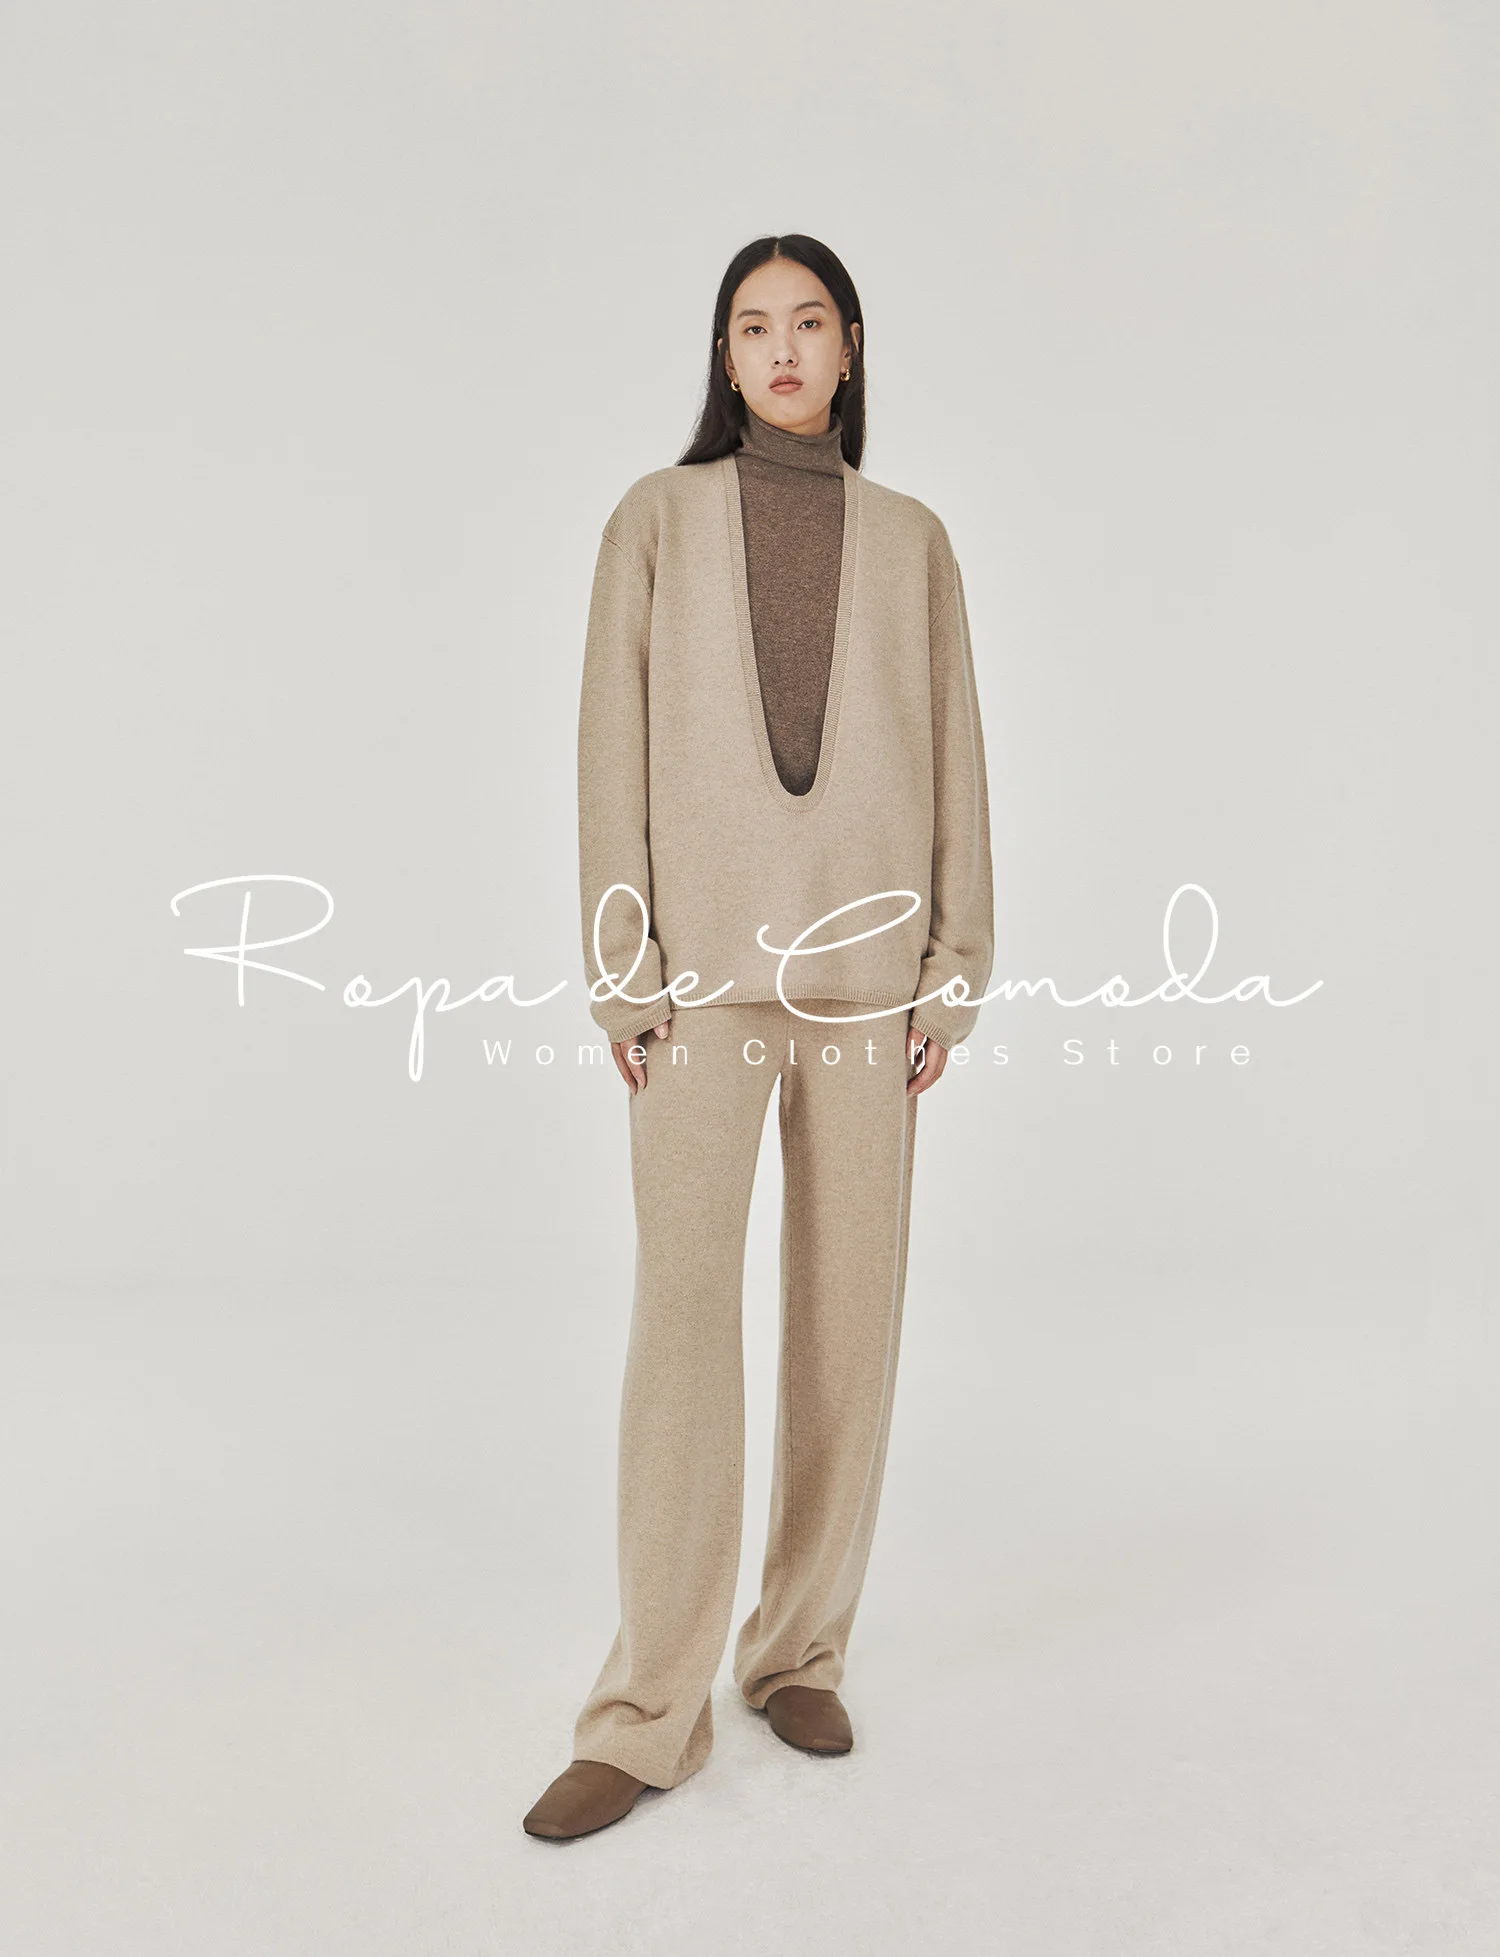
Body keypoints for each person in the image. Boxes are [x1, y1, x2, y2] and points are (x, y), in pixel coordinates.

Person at [524, 234, 994, 1840]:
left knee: (849, 1323)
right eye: (751, 327)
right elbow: (609, 748)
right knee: (682, 1325)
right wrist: (624, 971)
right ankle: (649, 1712)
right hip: (701, 988)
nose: (780, 349)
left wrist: (954, 966)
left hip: (873, 987)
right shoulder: (653, 521)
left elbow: (957, 756)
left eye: (807, 323)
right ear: (723, 358)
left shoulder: (914, 540)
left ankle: (797, 1650)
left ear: (850, 347)